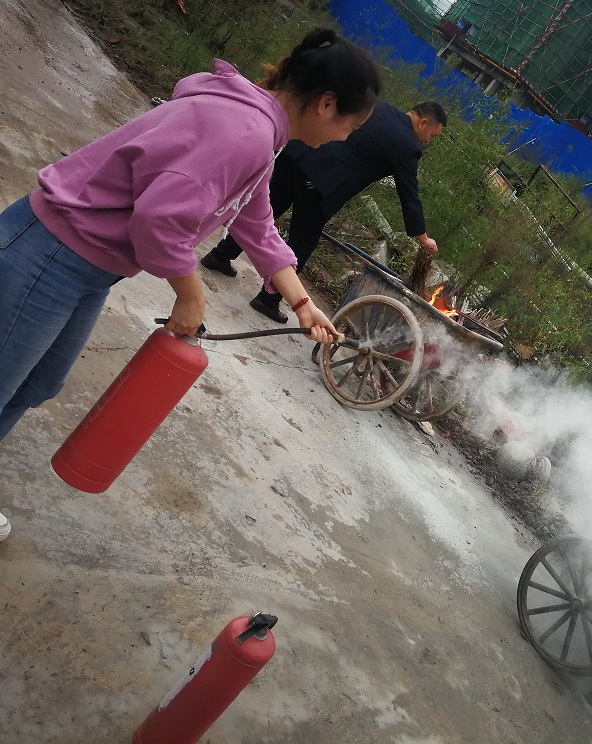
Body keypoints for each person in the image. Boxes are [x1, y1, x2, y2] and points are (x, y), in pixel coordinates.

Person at [0, 28, 381, 538]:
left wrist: (301, 302)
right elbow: (158, 222)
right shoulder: (244, 132)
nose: (345, 138)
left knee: (38, 383)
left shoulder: (261, 132)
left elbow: (256, 222)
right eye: (350, 126)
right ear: (326, 103)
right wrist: (190, 293)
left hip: (89, 266)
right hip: (55, 249)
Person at [199, 99, 448, 323]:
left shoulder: (378, 105)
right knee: (302, 241)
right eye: (432, 135)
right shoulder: (407, 145)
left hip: (298, 153)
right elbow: (409, 192)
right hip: (321, 179)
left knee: (263, 213)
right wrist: (423, 237)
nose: (429, 141)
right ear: (423, 123)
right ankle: (269, 298)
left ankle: (220, 256)